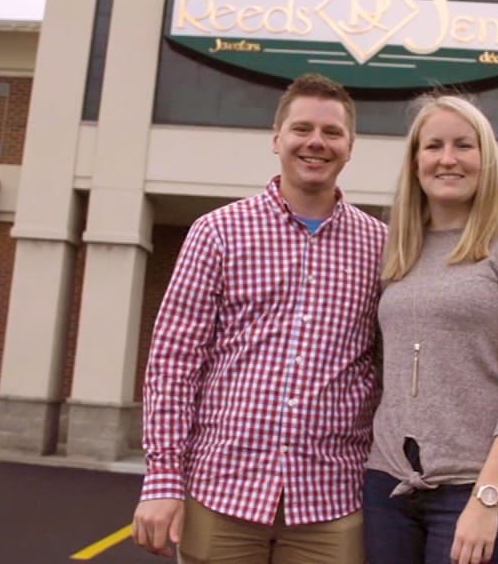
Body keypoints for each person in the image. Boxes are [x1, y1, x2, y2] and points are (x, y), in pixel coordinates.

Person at [132, 73, 387, 563]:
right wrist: (163, 478)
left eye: (332, 133)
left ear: (351, 147)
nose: (316, 142)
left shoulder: (381, 247)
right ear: (276, 139)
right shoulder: (217, 233)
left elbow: (385, 364)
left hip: (332, 500)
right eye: (302, 128)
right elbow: (174, 362)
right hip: (222, 492)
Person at [364, 94, 498, 564]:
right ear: (415, 163)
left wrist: (489, 496)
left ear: (484, 160)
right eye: (433, 146)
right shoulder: (394, 252)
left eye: (463, 146)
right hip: (386, 486)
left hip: (474, 488)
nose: (447, 159)